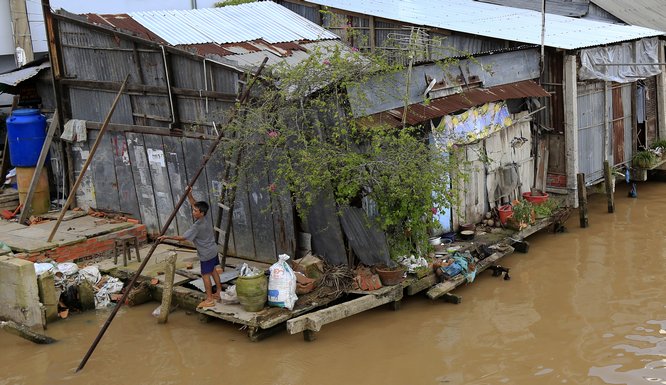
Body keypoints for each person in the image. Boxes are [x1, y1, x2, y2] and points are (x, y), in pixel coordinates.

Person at [158, 188, 221, 308]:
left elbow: (182, 238)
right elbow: (194, 204)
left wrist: (166, 237)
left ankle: (209, 299)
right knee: (213, 270)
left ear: (201, 213)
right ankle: (218, 292)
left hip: (206, 254)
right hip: (213, 250)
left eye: (195, 211)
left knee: (205, 275)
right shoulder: (206, 217)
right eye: (193, 210)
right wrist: (189, 194)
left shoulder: (196, 226)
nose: (193, 212)